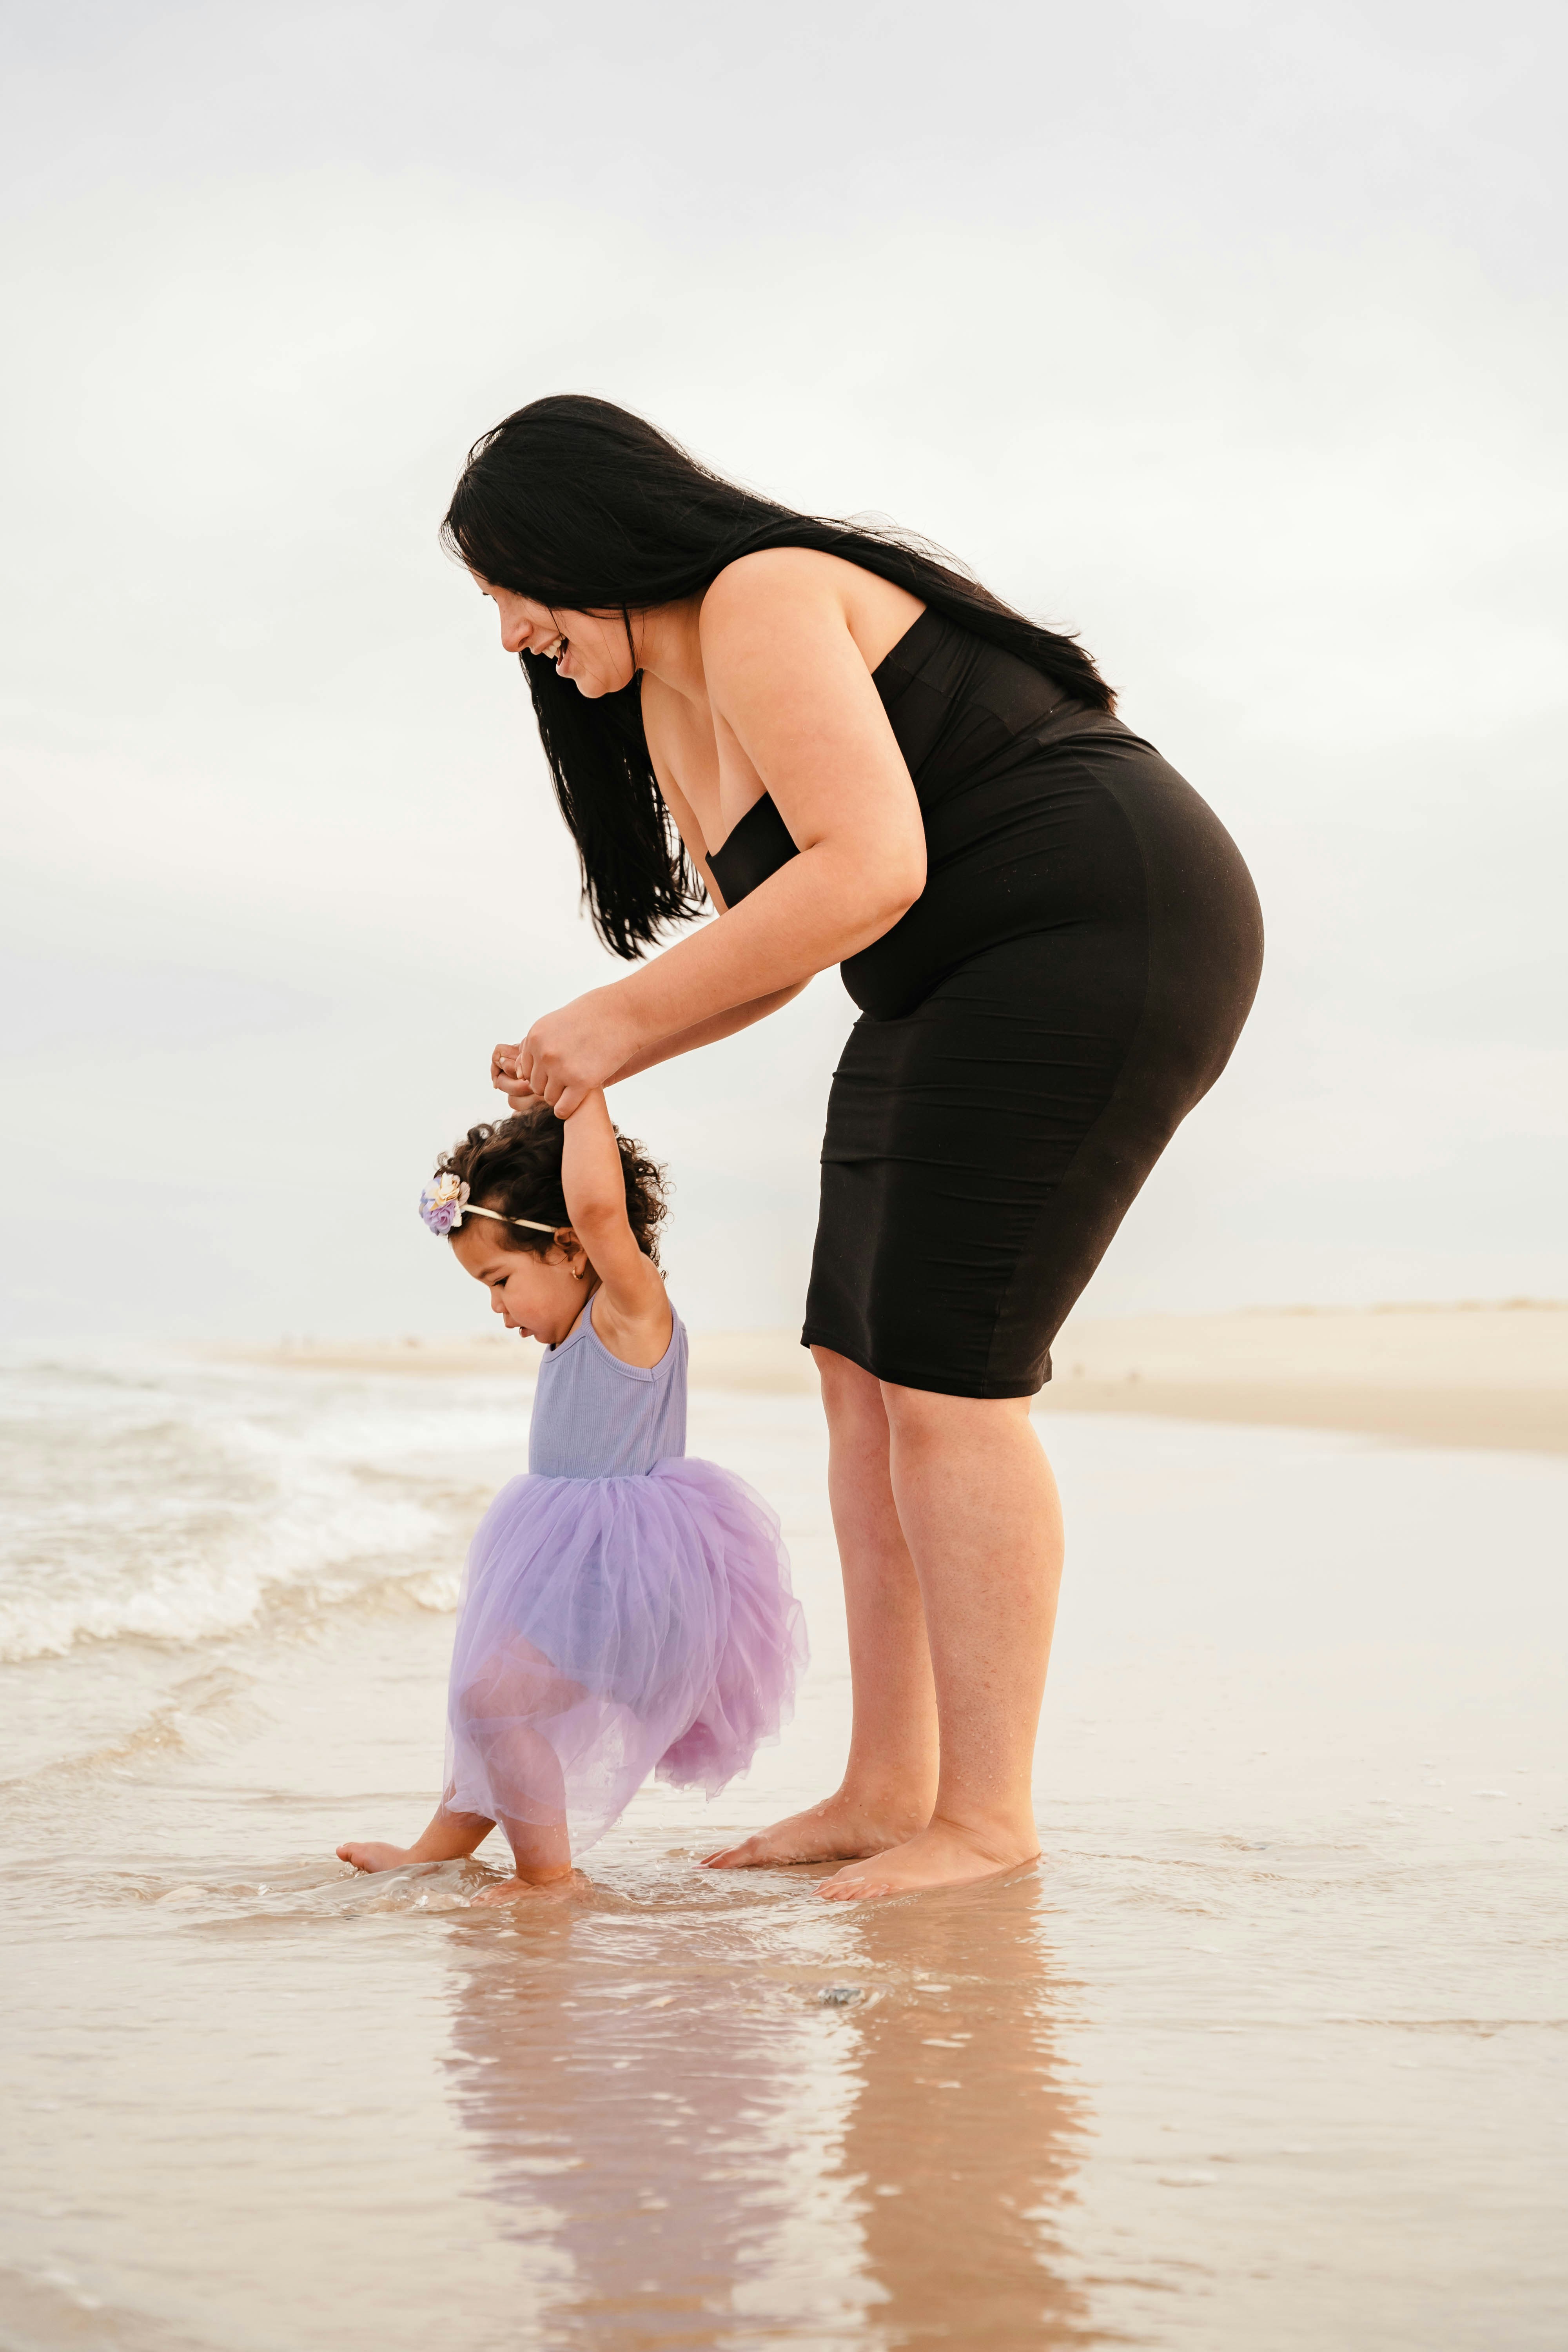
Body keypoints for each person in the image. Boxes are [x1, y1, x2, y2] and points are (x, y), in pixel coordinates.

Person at [449, 394, 1266, 1902]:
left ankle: (988, 1815)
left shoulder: (761, 594)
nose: (508, 633)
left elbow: (875, 865)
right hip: (938, 984)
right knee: (856, 1375)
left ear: (583, 541)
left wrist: (616, 1014)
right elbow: (778, 948)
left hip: (1096, 928)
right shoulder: (662, 706)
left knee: (949, 1380)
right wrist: (597, 1062)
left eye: (510, 586)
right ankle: (893, 1787)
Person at [336, 1093, 805, 1902]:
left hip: (625, 1574)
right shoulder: (573, 1329)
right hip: (574, 1564)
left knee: (493, 1700)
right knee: (490, 1701)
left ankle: (549, 1877)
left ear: (571, 1249)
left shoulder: (629, 1312)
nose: (496, 1307)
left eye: (500, 1279)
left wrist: (581, 1089)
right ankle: (439, 1850)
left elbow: (595, 1203)